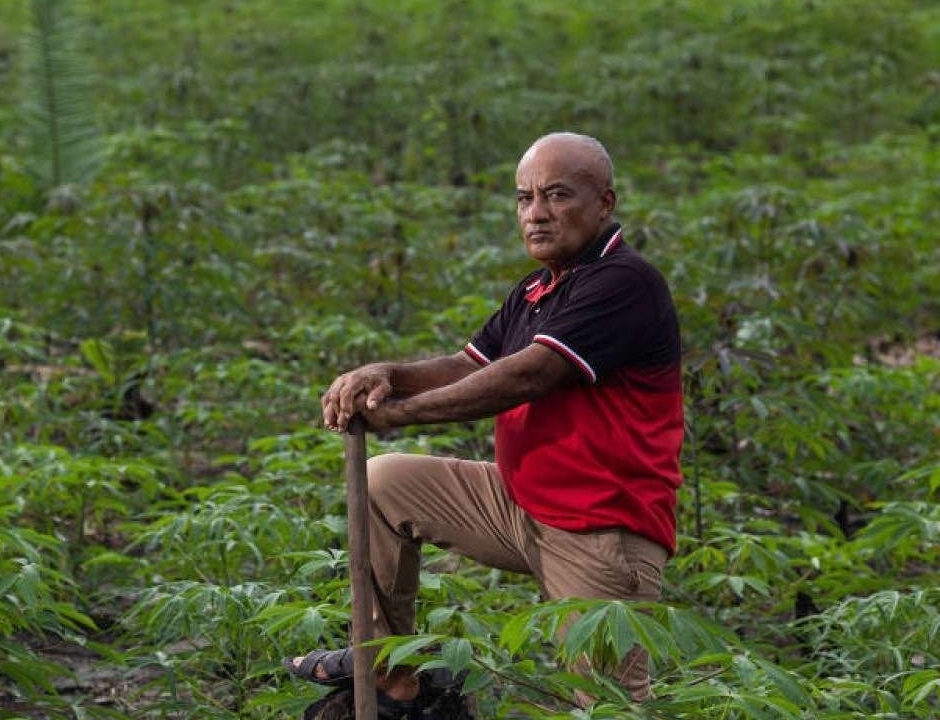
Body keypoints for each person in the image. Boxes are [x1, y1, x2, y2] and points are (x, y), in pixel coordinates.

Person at [284, 132, 683, 710]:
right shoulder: (538, 288)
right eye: (525, 198)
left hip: (601, 530)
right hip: (521, 502)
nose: (537, 214)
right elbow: (464, 365)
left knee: (606, 705)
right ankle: (393, 671)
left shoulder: (624, 283)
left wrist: (399, 414)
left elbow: (526, 375)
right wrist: (385, 374)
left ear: (605, 202)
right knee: (384, 483)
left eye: (557, 195)